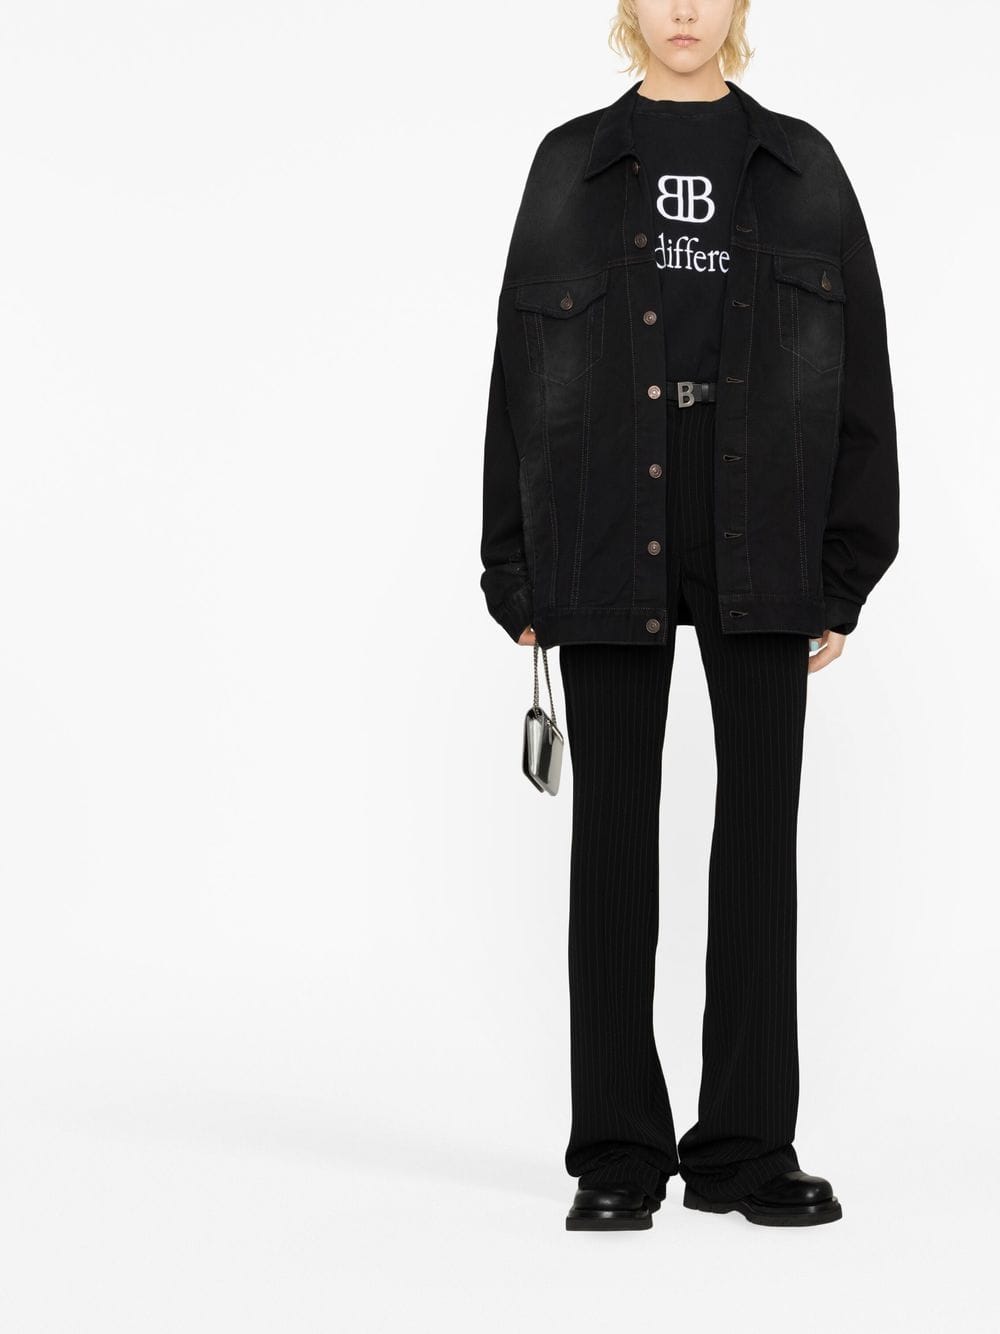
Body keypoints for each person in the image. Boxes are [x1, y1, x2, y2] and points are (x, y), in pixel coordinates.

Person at [479, 0, 898, 1230]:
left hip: (764, 524)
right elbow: (518, 370)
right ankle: (617, 1150)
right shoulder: (569, 163)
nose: (682, 10)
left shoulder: (803, 166)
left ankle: (746, 1149)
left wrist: (844, 563)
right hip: (608, 522)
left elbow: (861, 371)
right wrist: (515, 565)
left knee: (759, 841)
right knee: (612, 844)